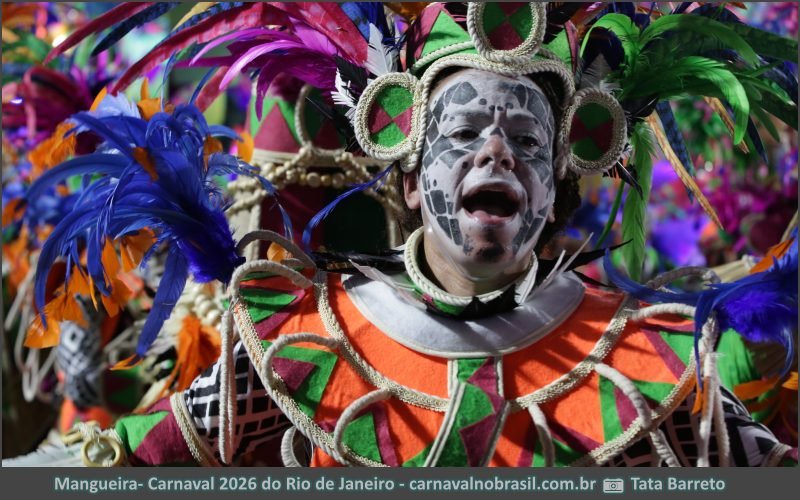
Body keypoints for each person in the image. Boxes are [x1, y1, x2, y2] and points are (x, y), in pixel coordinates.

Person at [6, 2, 797, 467]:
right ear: (413, 179)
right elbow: (119, 460)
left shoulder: (653, 360)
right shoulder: (301, 343)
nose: (496, 151)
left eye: (526, 142)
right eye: (465, 135)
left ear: (557, 186)